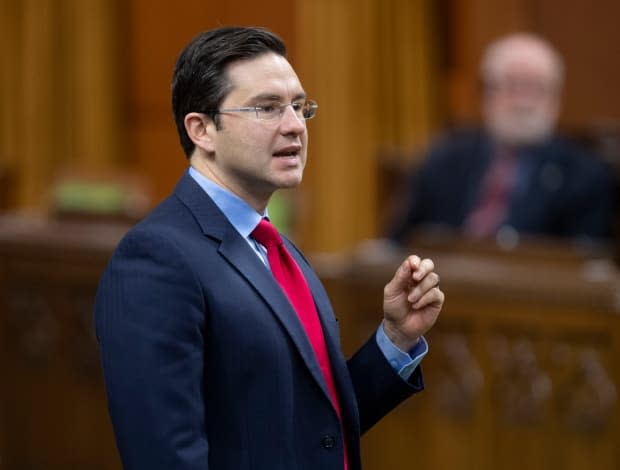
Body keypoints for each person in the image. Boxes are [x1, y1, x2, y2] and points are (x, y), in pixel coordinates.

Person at [95, 26, 444, 470]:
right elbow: (164, 455)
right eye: (267, 108)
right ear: (202, 129)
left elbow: (314, 427)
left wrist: (395, 339)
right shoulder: (155, 259)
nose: (295, 126)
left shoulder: (274, 247)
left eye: (300, 107)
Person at [389, 32, 616, 245]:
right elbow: (399, 242)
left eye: (536, 87)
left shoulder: (586, 174)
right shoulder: (445, 159)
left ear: (557, 98)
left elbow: (585, 264)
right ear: (487, 93)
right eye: (512, 85)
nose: (522, 102)